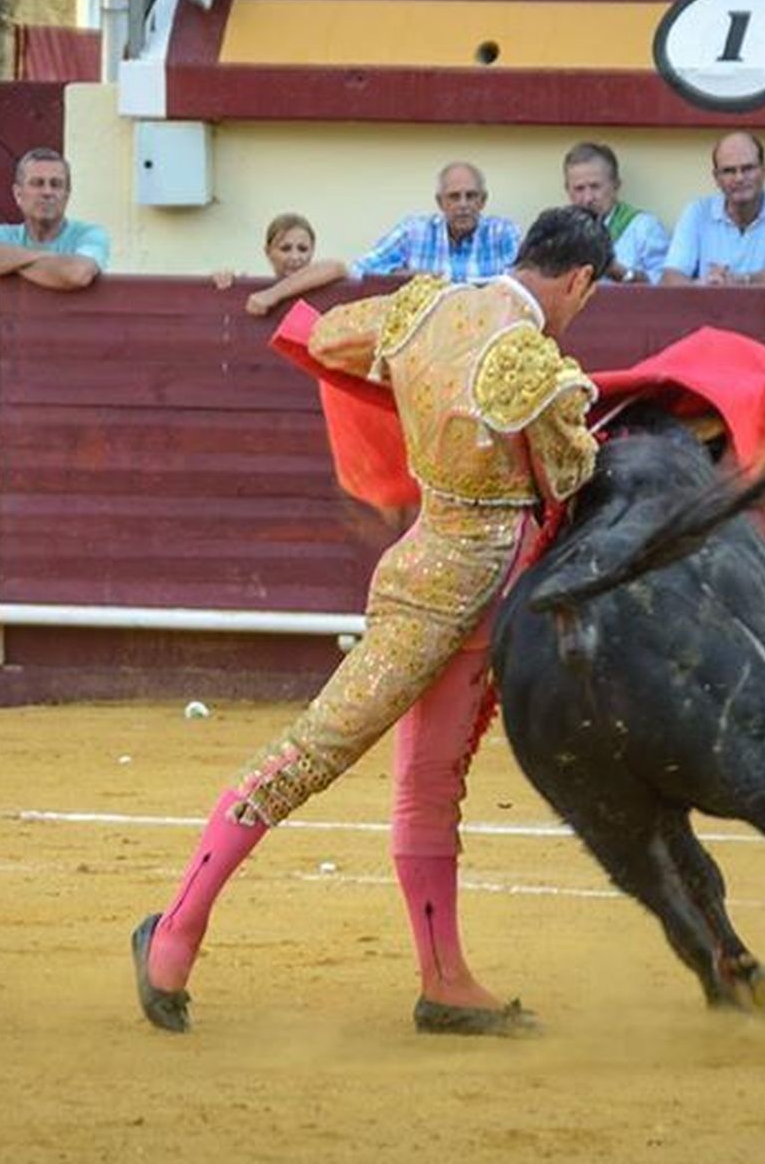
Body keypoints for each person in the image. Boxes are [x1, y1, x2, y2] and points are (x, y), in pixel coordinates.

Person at [131, 205, 613, 1038]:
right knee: (313, 752)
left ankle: (446, 982)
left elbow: (329, 340)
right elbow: (571, 475)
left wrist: (413, 395)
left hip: (452, 582)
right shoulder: (531, 360)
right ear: (579, 280)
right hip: (442, 594)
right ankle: (171, 938)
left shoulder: (424, 305)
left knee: (431, 780)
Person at [660, 131, 765, 286]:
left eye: (748, 168)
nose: (739, 178)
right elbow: (671, 276)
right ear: (716, 178)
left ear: (764, 171)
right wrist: (705, 286)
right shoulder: (697, 213)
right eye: (729, 171)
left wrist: (740, 281)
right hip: (707, 302)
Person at [0, 147, 108, 291]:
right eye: (37, 183)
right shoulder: (3, 235)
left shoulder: (88, 234)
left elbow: (77, 273)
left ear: (66, 195)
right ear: (18, 194)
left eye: (56, 184)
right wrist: (47, 258)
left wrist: (9, 263)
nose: (47, 192)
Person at [351, 162, 520, 283]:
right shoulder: (413, 232)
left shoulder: (502, 233)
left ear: (483, 201)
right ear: (440, 202)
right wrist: (410, 276)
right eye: (454, 197)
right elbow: (360, 268)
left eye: (471, 196)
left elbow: (522, 283)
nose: (463, 205)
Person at [562, 141, 669, 284]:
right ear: (567, 190)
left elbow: (665, 285)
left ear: (616, 185)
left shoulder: (644, 228)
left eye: (595, 186)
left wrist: (621, 273)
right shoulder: (558, 233)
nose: (588, 198)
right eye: (579, 189)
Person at [213, 212, 348, 315]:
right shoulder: (253, 288)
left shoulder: (323, 278)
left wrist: (272, 294)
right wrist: (225, 280)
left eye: (302, 249)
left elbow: (337, 267)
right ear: (268, 252)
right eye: (285, 248)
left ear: (312, 251)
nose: (295, 257)